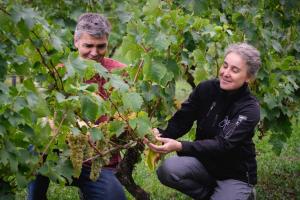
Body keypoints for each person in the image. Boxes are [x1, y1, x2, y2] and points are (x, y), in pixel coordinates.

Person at [27, 13, 127, 200]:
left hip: (100, 161)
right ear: (76, 41)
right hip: (61, 158)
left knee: (115, 197)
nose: (95, 52)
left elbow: (127, 121)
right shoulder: (58, 72)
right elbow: (40, 116)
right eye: (88, 46)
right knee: (38, 145)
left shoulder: (120, 73)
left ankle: (89, 190)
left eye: (101, 46)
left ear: (108, 42)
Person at [145, 43, 261, 200]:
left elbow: (223, 145)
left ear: (248, 77)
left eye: (235, 70)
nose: (226, 73)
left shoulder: (249, 108)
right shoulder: (206, 89)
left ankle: (244, 194)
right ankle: (211, 195)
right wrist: (160, 133)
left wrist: (180, 146)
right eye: (225, 66)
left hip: (234, 174)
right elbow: (182, 120)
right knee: (167, 170)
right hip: (205, 164)